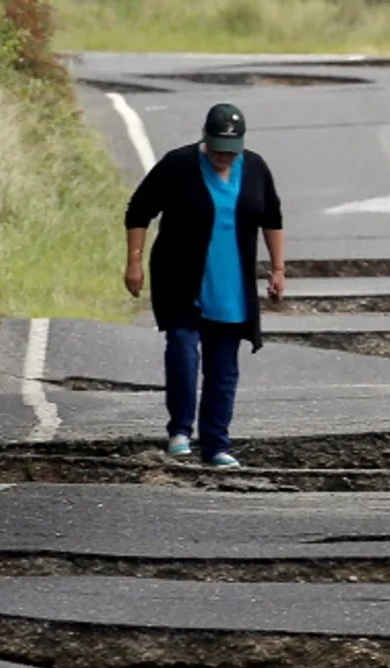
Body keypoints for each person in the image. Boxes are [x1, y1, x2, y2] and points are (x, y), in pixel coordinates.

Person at [123, 102, 285, 469]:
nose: (223, 157)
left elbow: (272, 217)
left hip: (231, 280)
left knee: (223, 364)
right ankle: (180, 430)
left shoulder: (256, 168)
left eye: (231, 151)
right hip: (180, 276)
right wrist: (134, 261)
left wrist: (278, 269)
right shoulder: (178, 165)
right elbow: (138, 210)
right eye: (217, 150)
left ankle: (216, 444)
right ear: (204, 139)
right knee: (182, 347)